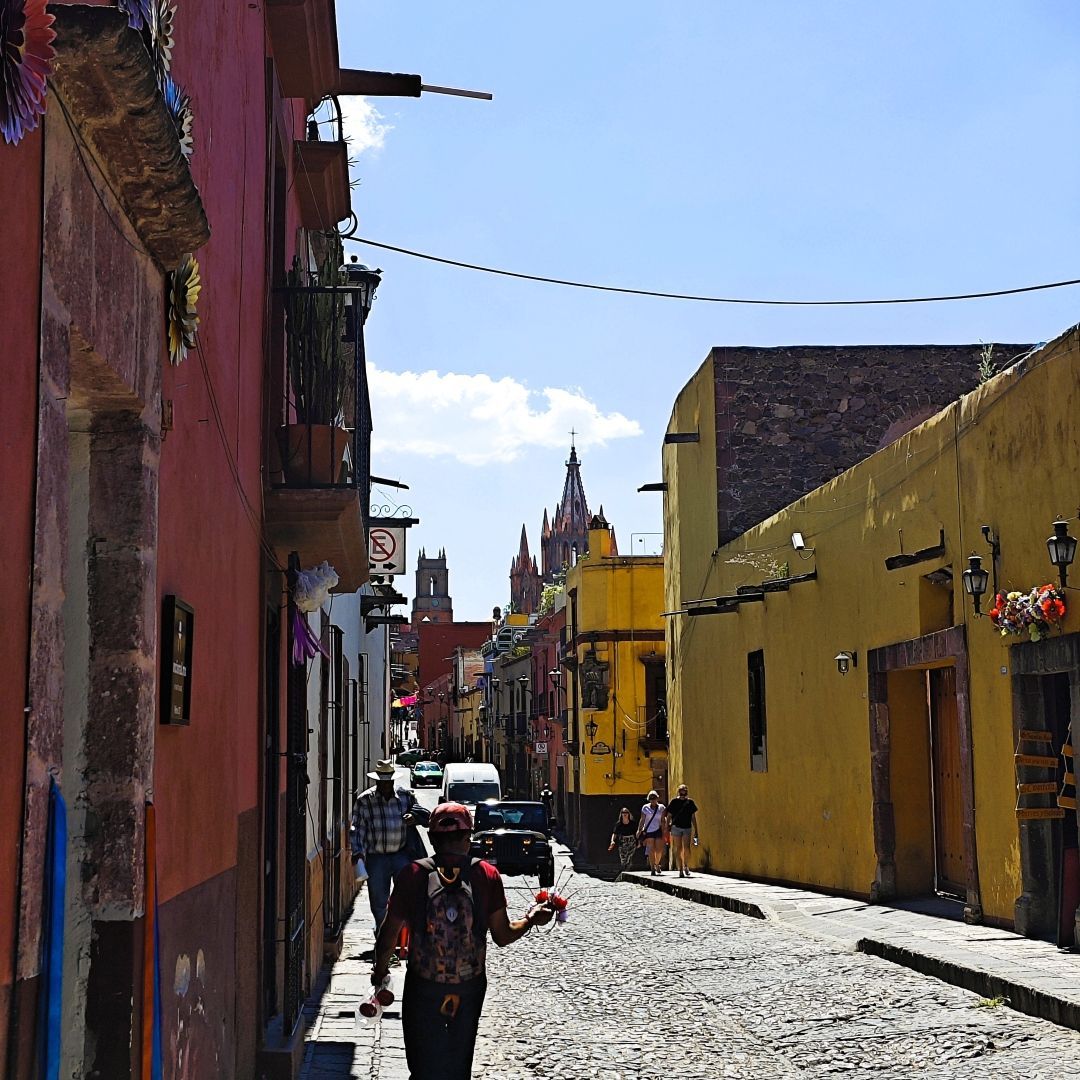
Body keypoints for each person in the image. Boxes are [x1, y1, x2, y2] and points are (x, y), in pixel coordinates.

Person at [370, 802, 554, 1079]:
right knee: (459, 1065)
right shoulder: (485, 874)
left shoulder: (413, 875)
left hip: (424, 985)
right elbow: (502, 935)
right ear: (468, 838)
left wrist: (380, 971)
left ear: (432, 838)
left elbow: (388, 934)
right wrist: (530, 918)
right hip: (469, 986)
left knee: (422, 1066)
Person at [351, 759, 430, 929]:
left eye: (388, 781)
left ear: (393, 780)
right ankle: (383, 937)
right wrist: (358, 853)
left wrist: (414, 817)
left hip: (401, 854)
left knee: (406, 897)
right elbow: (358, 829)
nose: (385, 785)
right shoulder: (365, 801)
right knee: (379, 903)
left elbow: (423, 815)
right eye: (382, 781)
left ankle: (402, 938)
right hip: (376, 858)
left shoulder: (405, 797)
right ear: (377, 781)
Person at [664, 783, 700, 878]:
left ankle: (686, 865)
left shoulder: (690, 803)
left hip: (687, 827)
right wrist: (667, 827)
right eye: (681, 791)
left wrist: (696, 829)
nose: (683, 793)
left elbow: (693, 817)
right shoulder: (674, 802)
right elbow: (669, 816)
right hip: (676, 827)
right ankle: (680, 869)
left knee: (687, 848)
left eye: (684, 791)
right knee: (678, 848)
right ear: (679, 792)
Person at [636, 790, 666, 875]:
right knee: (651, 849)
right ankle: (652, 867)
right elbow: (642, 820)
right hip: (648, 830)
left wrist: (664, 831)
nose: (653, 800)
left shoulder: (661, 807)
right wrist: (639, 829)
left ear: (657, 798)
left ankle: (657, 864)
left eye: (654, 798)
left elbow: (663, 820)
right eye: (651, 798)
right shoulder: (645, 807)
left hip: (658, 829)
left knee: (659, 849)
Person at [608, 807, 638, 872]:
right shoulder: (619, 824)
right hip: (623, 842)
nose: (625, 814)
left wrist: (639, 842)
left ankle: (627, 870)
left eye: (626, 812)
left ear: (628, 814)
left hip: (631, 841)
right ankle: (624, 870)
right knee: (623, 858)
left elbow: (636, 833)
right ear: (621, 814)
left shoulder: (632, 823)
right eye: (623, 812)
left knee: (629, 856)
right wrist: (612, 841)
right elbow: (615, 833)